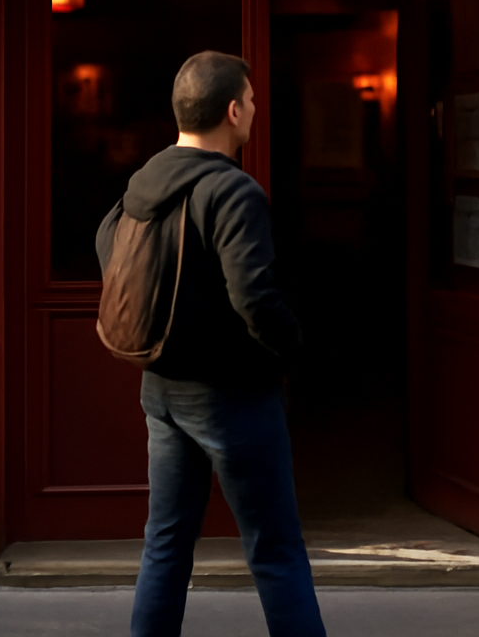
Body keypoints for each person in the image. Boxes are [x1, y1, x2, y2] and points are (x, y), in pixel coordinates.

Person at [97, 51, 326, 637]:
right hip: (233, 395)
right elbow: (256, 298)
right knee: (275, 550)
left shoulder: (143, 181)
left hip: (162, 393)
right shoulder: (233, 192)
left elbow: (109, 251)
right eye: (250, 100)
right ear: (232, 110)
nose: (253, 109)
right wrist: (288, 353)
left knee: (166, 545)